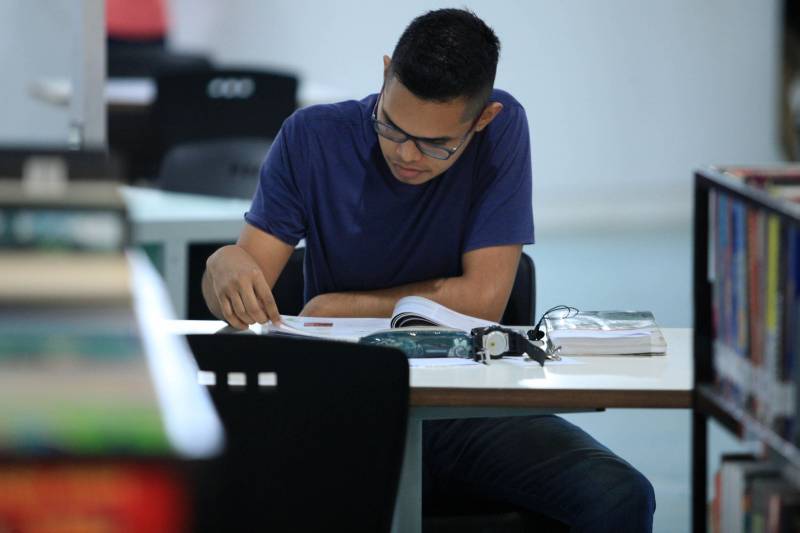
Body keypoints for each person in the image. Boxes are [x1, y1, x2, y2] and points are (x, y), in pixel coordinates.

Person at [202, 8, 656, 531]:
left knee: (619, 495)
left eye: (438, 144)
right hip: (345, 402)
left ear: (481, 119)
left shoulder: (502, 131)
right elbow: (244, 278)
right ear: (386, 73)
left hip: (464, 403)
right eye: (392, 128)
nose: (408, 155)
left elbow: (483, 299)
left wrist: (338, 307)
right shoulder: (311, 137)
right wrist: (223, 267)